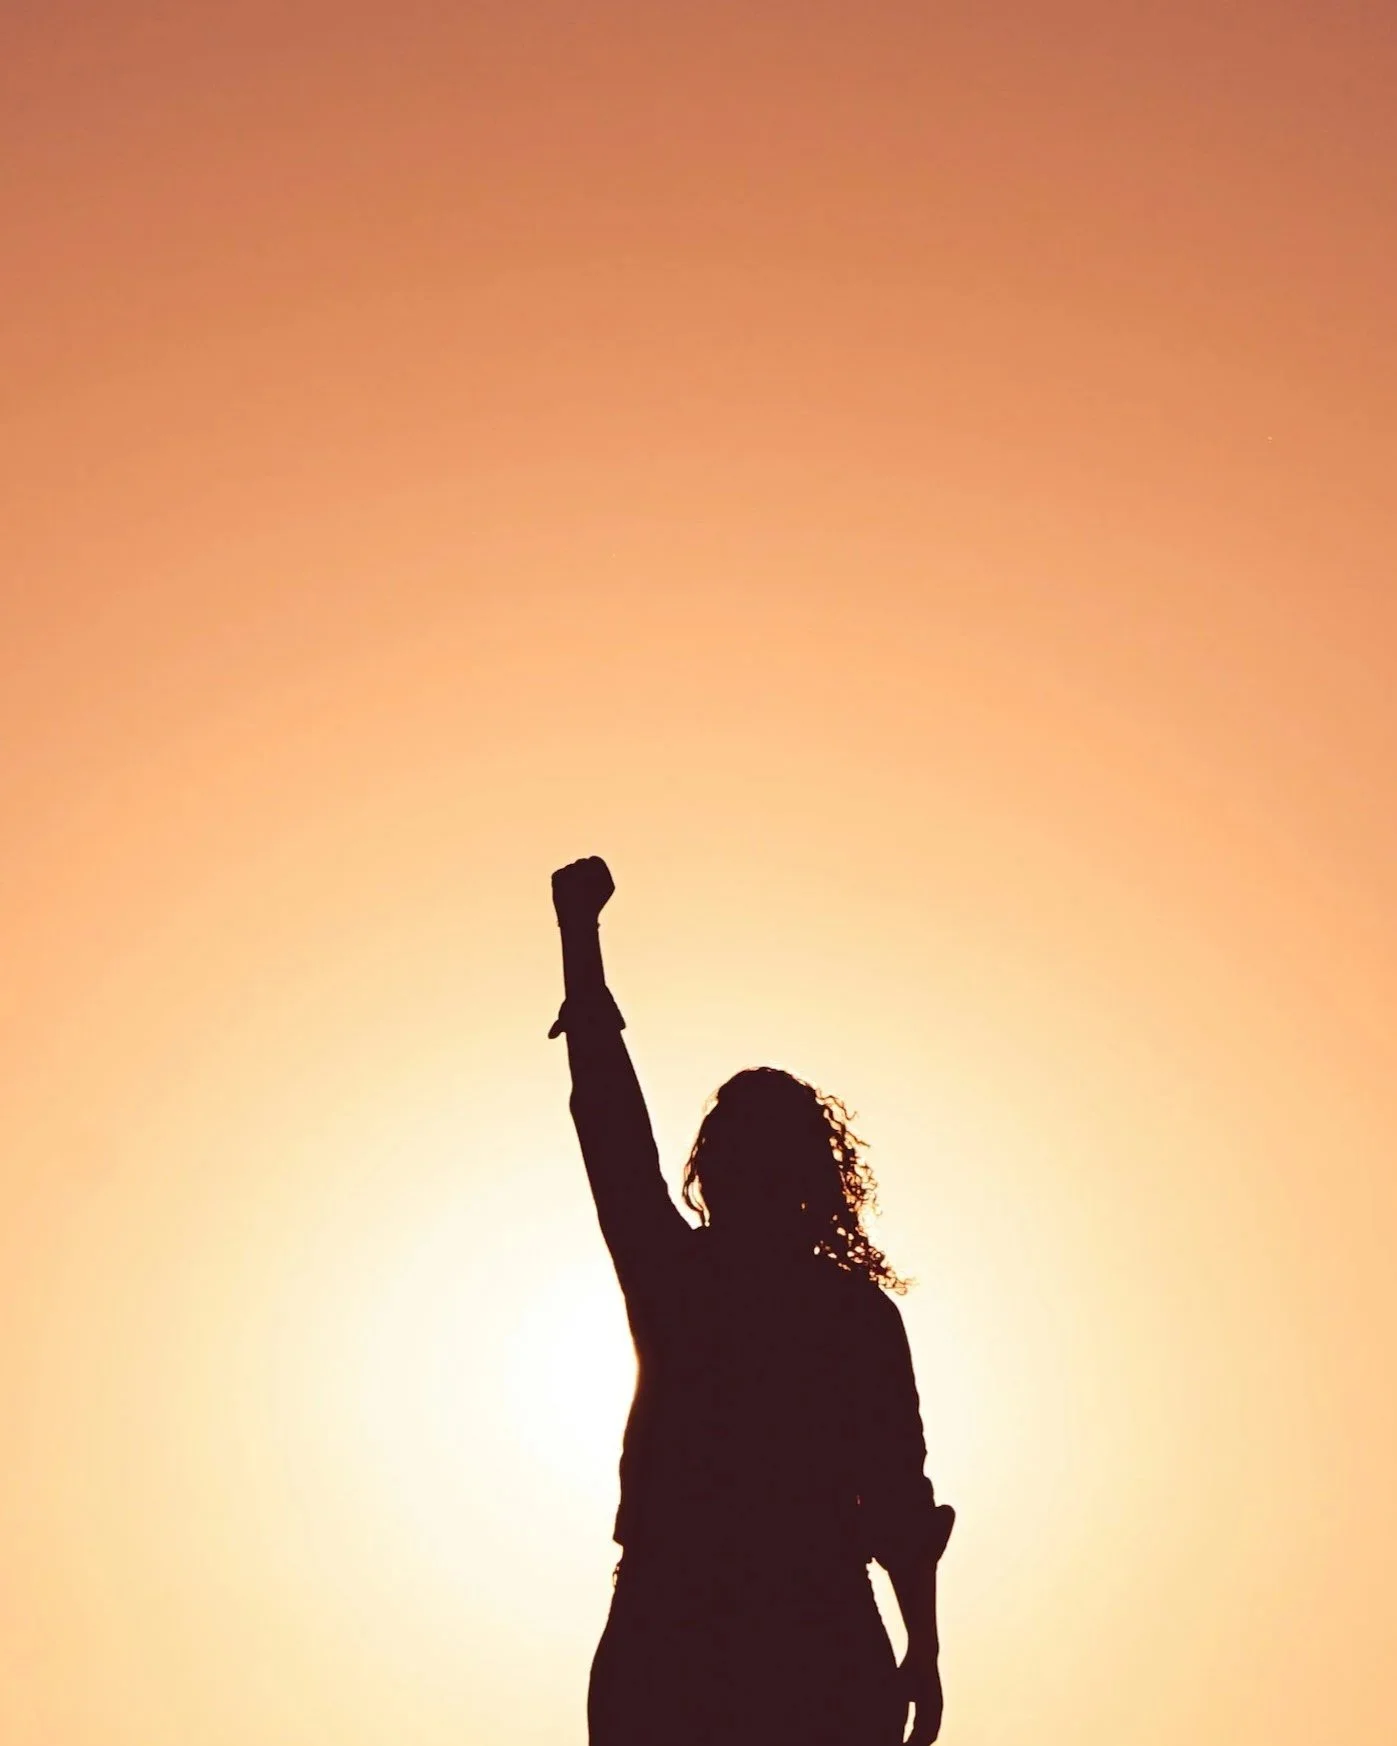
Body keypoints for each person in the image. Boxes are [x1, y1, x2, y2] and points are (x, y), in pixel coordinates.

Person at [549, 856, 954, 1746]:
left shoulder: (690, 1282)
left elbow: (895, 1497)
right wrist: (921, 1647)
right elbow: (607, 1118)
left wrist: (579, 941)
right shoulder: (833, 1311)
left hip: (725, 1631)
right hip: (757, 1630)